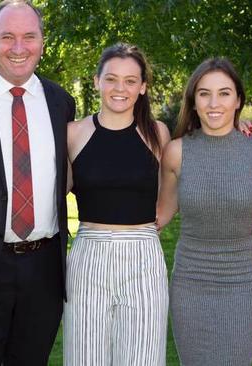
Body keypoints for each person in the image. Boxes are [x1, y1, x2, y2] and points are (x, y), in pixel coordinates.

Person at [0, 1, 75, 364]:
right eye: (7, 37)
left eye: (28, 37)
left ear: (42, 42)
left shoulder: (60, 102)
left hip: (44, 269)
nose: (18, 48)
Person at [156, 58, 252, 366]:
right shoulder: (176, 151)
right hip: (190, 281)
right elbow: (161, 214)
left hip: (243, 283)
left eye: (224, 93)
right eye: (204, 93)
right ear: (193, 101)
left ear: (238, 100)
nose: (214, 103)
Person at [64, 43, 171, 365]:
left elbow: (171, 193)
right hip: (88, 254)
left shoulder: (158, 134)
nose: (119, 88)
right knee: (85, 355)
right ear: (96, 81)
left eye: (130, 80)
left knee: (143, 356)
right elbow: (54, 191)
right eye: (111, 79)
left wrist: (149, 230)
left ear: (143, 87)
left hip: (143, 255)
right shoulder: (73, 133)